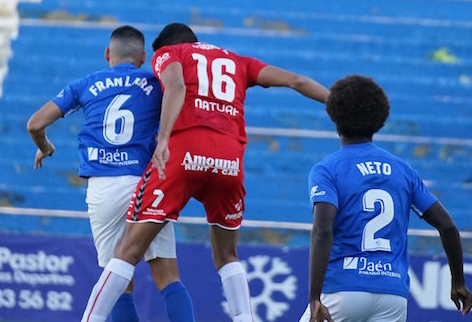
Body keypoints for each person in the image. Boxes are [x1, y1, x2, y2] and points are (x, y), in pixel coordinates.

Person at [81, 22, 331, 322]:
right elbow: (297, 80)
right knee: (227, 255)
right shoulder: (239, 62)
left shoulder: (169, 54)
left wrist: (163, 138)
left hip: (184, 156)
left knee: (127, 251)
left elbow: (175, 86)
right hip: (228, 162)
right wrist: (336, 103)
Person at [26, 25, 195, 322]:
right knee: (167, 275)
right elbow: (180, 99)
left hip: (103, 188)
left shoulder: (86, 84)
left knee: (118, 282)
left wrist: (46, 147)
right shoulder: (155, 81)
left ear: (107, 54)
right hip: (145, 184)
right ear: (144, 57)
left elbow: (35, 124)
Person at [300, 75, 472, 322]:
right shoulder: (403, 171)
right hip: (393, 295)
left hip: (342, 289)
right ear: (379, 120)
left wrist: (315, 297)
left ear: (334, 117)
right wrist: (458, 282)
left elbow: (322, 230)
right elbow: (447, 226)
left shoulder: (327, 169)